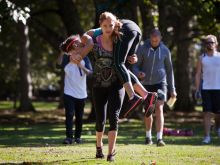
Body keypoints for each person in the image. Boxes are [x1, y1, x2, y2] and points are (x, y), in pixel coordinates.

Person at [72, 12, 158, 118]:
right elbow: (126, 54)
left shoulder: (90, 35)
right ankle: (147, 95)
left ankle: (133, 97)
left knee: (118, 64)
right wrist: (133, 56)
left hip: (127, 28)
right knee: (122, 69)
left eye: (109, 26)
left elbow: (88, 44)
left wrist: (79, 54)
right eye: (105, 26)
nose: (107, 28)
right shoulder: (109, 37)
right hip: (136, 31)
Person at [133, 28, 177, 146]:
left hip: (160, 83)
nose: (154, 42)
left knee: (159, 107)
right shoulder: (142, 48)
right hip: (146, 84)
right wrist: (139, 73)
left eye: (156, 41)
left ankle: (159, 138)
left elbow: (169, 70)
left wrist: (172, 89)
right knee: (148, 109)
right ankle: (148, 137)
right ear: (150, 38)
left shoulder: (165, 50)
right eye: (152, 41)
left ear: (160, 38)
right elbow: (135, 66)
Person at [57, 35, 93, 144]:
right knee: (69, 114)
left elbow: (90, 73)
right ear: (73, 46)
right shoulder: (66, 59)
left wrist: (80, 65)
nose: (81, 44)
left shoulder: (85, 58)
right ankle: (69, 137)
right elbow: (58, 64)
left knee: (79, 117)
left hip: (81, 94)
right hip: (68, 93)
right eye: (77, 43)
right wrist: (62, 52)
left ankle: (78, 137)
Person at [195, 34, 220, 144]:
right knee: (207, 113)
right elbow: (197, 74)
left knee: (218, 114)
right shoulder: (202, 58)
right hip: (206, 89)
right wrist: (197, 89)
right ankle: (207, 136)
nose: (210, 44)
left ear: (216, 44)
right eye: (208, 42)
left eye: (212, 42)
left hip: (218, 88)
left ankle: (217, 127)